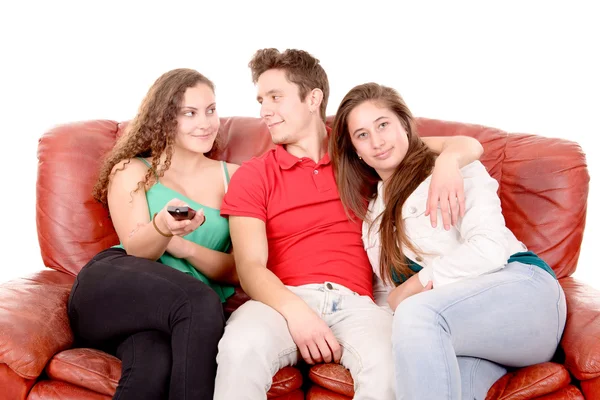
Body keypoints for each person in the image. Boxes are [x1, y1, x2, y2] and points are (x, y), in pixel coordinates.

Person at [213, 48, 483, 400]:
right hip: (279, 301)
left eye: (276, 97)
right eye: (261, 99)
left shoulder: (361, 155)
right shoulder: (253, 174)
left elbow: (465, 145)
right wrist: (298, 313)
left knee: (392, 362)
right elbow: (249, 267)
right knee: (239, 349)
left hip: (358, 305)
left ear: (313, 98)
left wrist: (448, 162)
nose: (265, 110)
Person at [329, 82, 567, 400]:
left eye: (383, 125)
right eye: (362, 135)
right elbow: (388, 296)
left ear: (404, 124)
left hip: (526, 295)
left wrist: (416, 286)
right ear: (355, 151)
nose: (377, 142)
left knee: (416, 313)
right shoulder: (373, 217)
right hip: (466, 337)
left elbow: (489, 248)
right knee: (420, 381)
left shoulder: (454, 169)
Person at [67, 68, 239, 400]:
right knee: (199, 300)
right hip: (111, 291)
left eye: (211, 110)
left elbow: (238, 269)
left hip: (168, 322)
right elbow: (137, 251)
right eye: (189, 113)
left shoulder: (237, 178)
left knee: (155, 364)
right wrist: (161, 227)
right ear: (164, 119)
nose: (205, 122)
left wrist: (183, 247)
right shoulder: (131, 170)